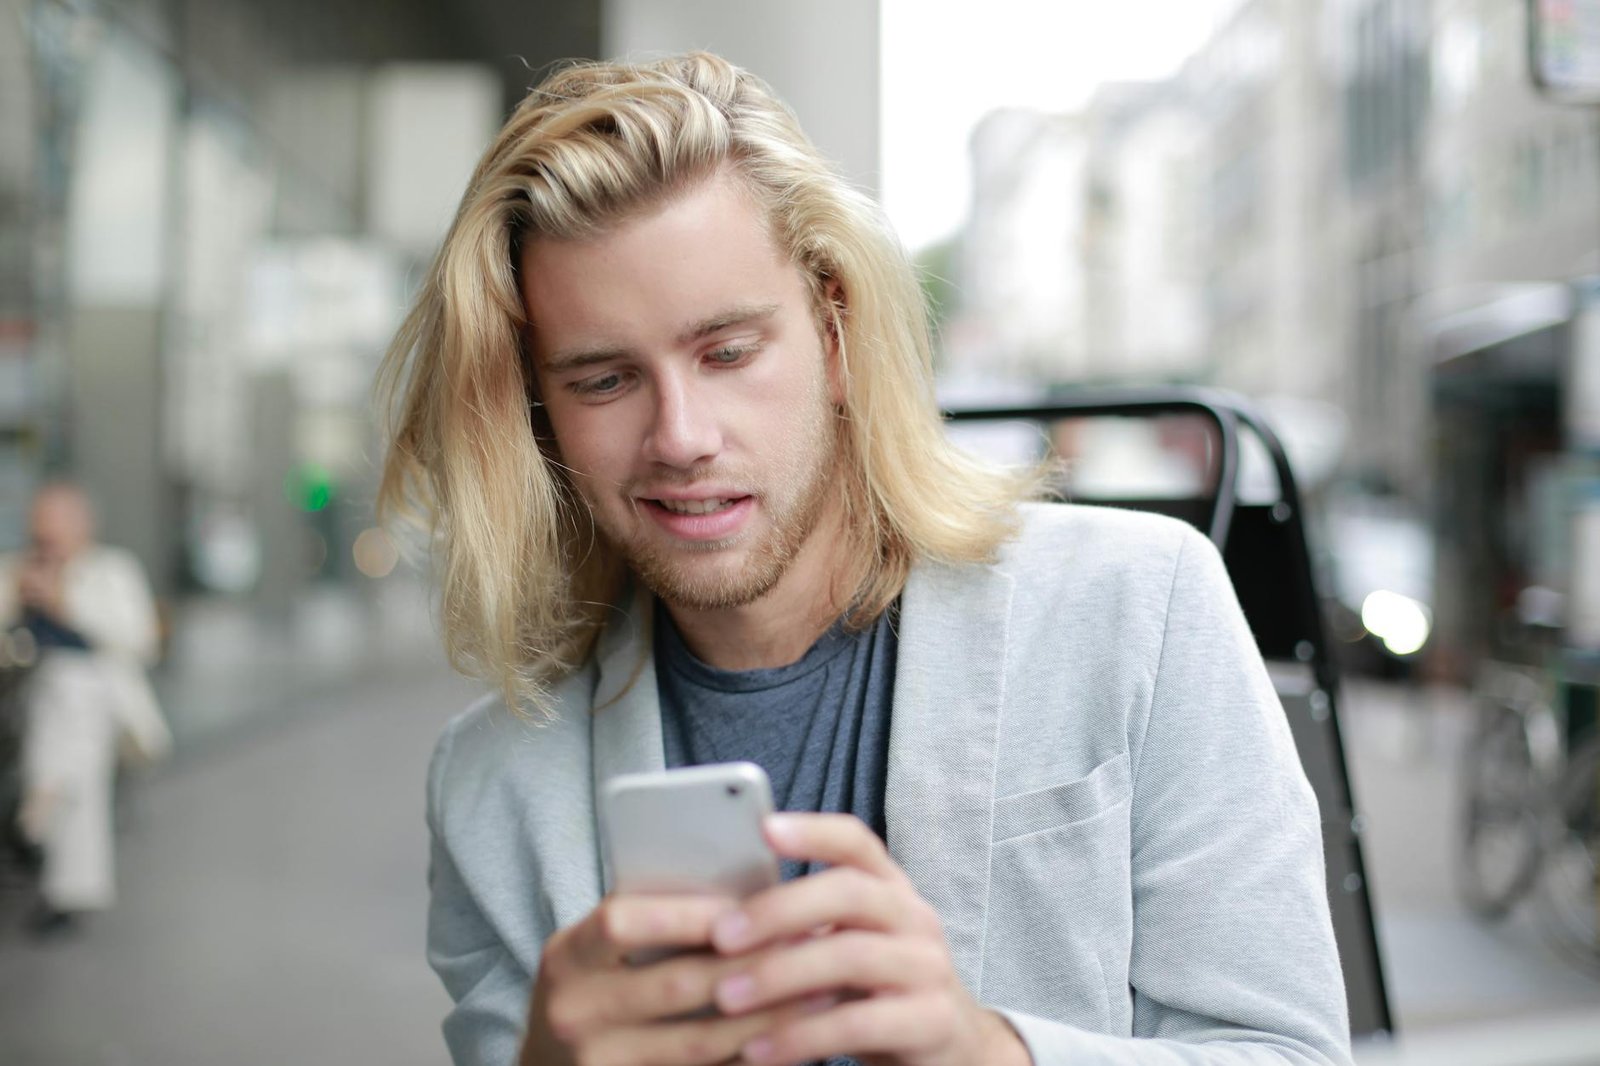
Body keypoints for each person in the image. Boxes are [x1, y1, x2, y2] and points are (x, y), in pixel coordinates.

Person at [378, 52, 1352, 1066]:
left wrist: (986, 1052)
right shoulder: (492, 788)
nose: (679, 435)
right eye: (604, 379)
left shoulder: (1141, 608)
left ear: (835, 330)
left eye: (726, 352)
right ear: (538, 419)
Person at [0, 482, 169, 935]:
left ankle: (44, 837)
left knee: (71, 771)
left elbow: (139, 640)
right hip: (31, 697)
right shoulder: (20, 569)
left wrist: (64, 603)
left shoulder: (112, 571)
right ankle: (38, 826)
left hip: (96, 699)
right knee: (61, 778)